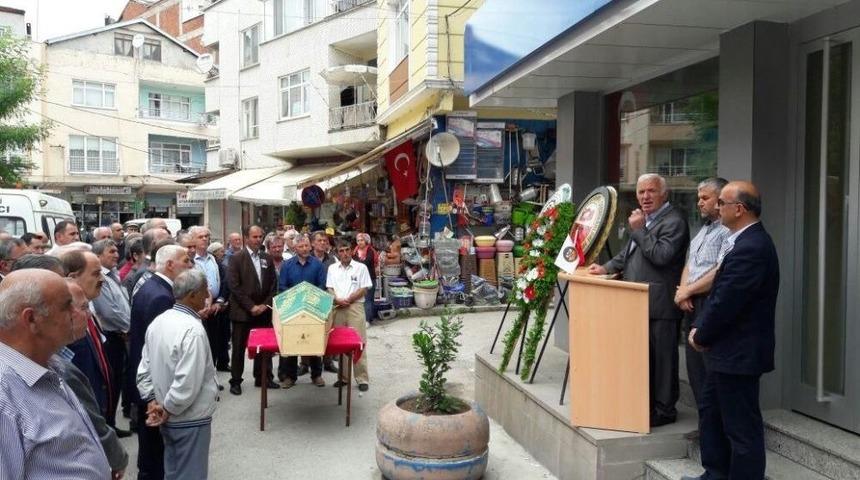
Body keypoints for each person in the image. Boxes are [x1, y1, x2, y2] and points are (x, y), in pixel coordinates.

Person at [683, 182, 779, 480]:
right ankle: (715, 474)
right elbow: (721, 296)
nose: (716, 207)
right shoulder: (741, 241)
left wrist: (701, 333)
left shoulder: (753, 247)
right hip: (724, 353)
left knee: (741, 428)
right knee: (712, 414)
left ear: (739, 209)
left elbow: (728, 301)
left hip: (738, 355)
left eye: (721, 202)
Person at [587, 173, 689, 427]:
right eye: (641, 192)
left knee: (663, 361)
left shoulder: (673, 221)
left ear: (664, 194)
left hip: (661, 303)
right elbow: (629, 253)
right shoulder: (645, 221)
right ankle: (647, 405)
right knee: (646, 359)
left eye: (651, 191)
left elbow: (661, 256)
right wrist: (607, 267)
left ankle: (665, 410)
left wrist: (640, 231)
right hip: (638, 302)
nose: (645, 197)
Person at [0, 269, 112, 478]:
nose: (78, 313)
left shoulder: (49, 364)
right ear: (32, 318)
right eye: (66, 306)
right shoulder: (4, 396)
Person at [137, 269, 219, 480]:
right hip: (188, 416)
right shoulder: (192, 330)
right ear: (192, 295)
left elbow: (144, 369)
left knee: (173, 471)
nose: (207, 294)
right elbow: (187, 383)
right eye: (204, 290)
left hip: (167, 412)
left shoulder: (159, 321)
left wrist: (153, 401)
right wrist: (166, 408)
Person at [129, 244, 194, 480]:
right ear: (169, 265)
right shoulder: (161, 297)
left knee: (151, 449)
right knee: (155, 452)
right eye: (186, 260)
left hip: (148, 382)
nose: (190, 265)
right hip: (155, 387)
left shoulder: (152, 286)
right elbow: (163, 352)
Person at [60, 280, 129, 479]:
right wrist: (115, 456)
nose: (90, 314)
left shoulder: (57, 361)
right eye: (83, 308)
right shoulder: (60, 368)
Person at [673, 178, 729, 408]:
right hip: (691, 303)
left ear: (720, 200)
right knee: (695, 370)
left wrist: (688, 290)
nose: (699, 203)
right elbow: (690, 264)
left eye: (705, 198)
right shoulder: (702, 230)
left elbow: (719, 271)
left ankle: (714, 431)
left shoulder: (728, 232)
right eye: (699, 198)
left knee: (709, 370)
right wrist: (684, 292)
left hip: (709, 303)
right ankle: (704, 424)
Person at [61, 251, 114, 431]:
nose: (102, 279)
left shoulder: (88, 311)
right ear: (73, 278)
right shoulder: (67, 322)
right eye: (95, 273)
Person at [227, 225, 278, 395]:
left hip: (263, 311)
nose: (258, 240)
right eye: (254, 237)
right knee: (239, 348)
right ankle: (235, 381)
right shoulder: (236, 258)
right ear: (246, 238)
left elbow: (272, 285)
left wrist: (264, 305)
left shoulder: (267, 258)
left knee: (264, 347)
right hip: (242, 312)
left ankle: (263, 377)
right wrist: (251, 306)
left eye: (260, 236)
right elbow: (234, 287)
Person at [92, 239, 133, 436]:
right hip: (111, 336)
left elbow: (123, 304)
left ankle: (111, 424)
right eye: (111, 252)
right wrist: (128, 327)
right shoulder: (99, 277)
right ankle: (107, 427)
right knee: (110, 383)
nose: (117, 255)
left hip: (120, 335)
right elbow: (109, 312)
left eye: (117, 251)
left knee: (117, 382)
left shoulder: (113, 275)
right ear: (99, 256)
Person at [276, 234, 327, 388]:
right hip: (293, 308)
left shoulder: (318, 265)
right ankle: (291, 377)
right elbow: (282, 286)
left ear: (310, 246)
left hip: (313, 308)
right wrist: (298, 298)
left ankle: (316, 375)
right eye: (301, 246)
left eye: (306, 246)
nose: (305, 249)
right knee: (293, 341)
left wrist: (309, 298)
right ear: (295, 248)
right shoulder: (287, 265)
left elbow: (322, 285)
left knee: (314, 341)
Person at [327, 239, 372, 392]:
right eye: (341, 251)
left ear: (351, 250)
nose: (345, 253)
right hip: (338, 307)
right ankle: (343, 378)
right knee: (341, 344)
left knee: (359, 342)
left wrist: (350, 299)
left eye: (347, 250)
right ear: (337, 253)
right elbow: (330, 288)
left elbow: (364, 288)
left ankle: (362, 379)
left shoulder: (361, 267)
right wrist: (337, 299)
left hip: (355, 307)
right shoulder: (332, 268)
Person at [189, 226, 229, 370]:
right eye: (201, 237)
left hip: (215, 307)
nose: (205, 239)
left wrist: (219, 301)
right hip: (199, 309)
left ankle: (214, 372)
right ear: (192, 239)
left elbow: (224, 280)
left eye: (207, 236)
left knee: (215, 342)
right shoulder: (190, 260)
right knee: (202, 346)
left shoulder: (212, 258)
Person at [354, 233, 378, 323]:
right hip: (359, 279)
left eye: (362, 240)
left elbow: (366, 262)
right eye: (358, 240)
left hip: (370, 278)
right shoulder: (355, 251)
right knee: (364, 300)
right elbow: (353, 261)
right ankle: (369, 317)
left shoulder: (370, 251)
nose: (359, 242)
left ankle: (368, 319)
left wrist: (358, 262)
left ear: (366, 241)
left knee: (368, 299)